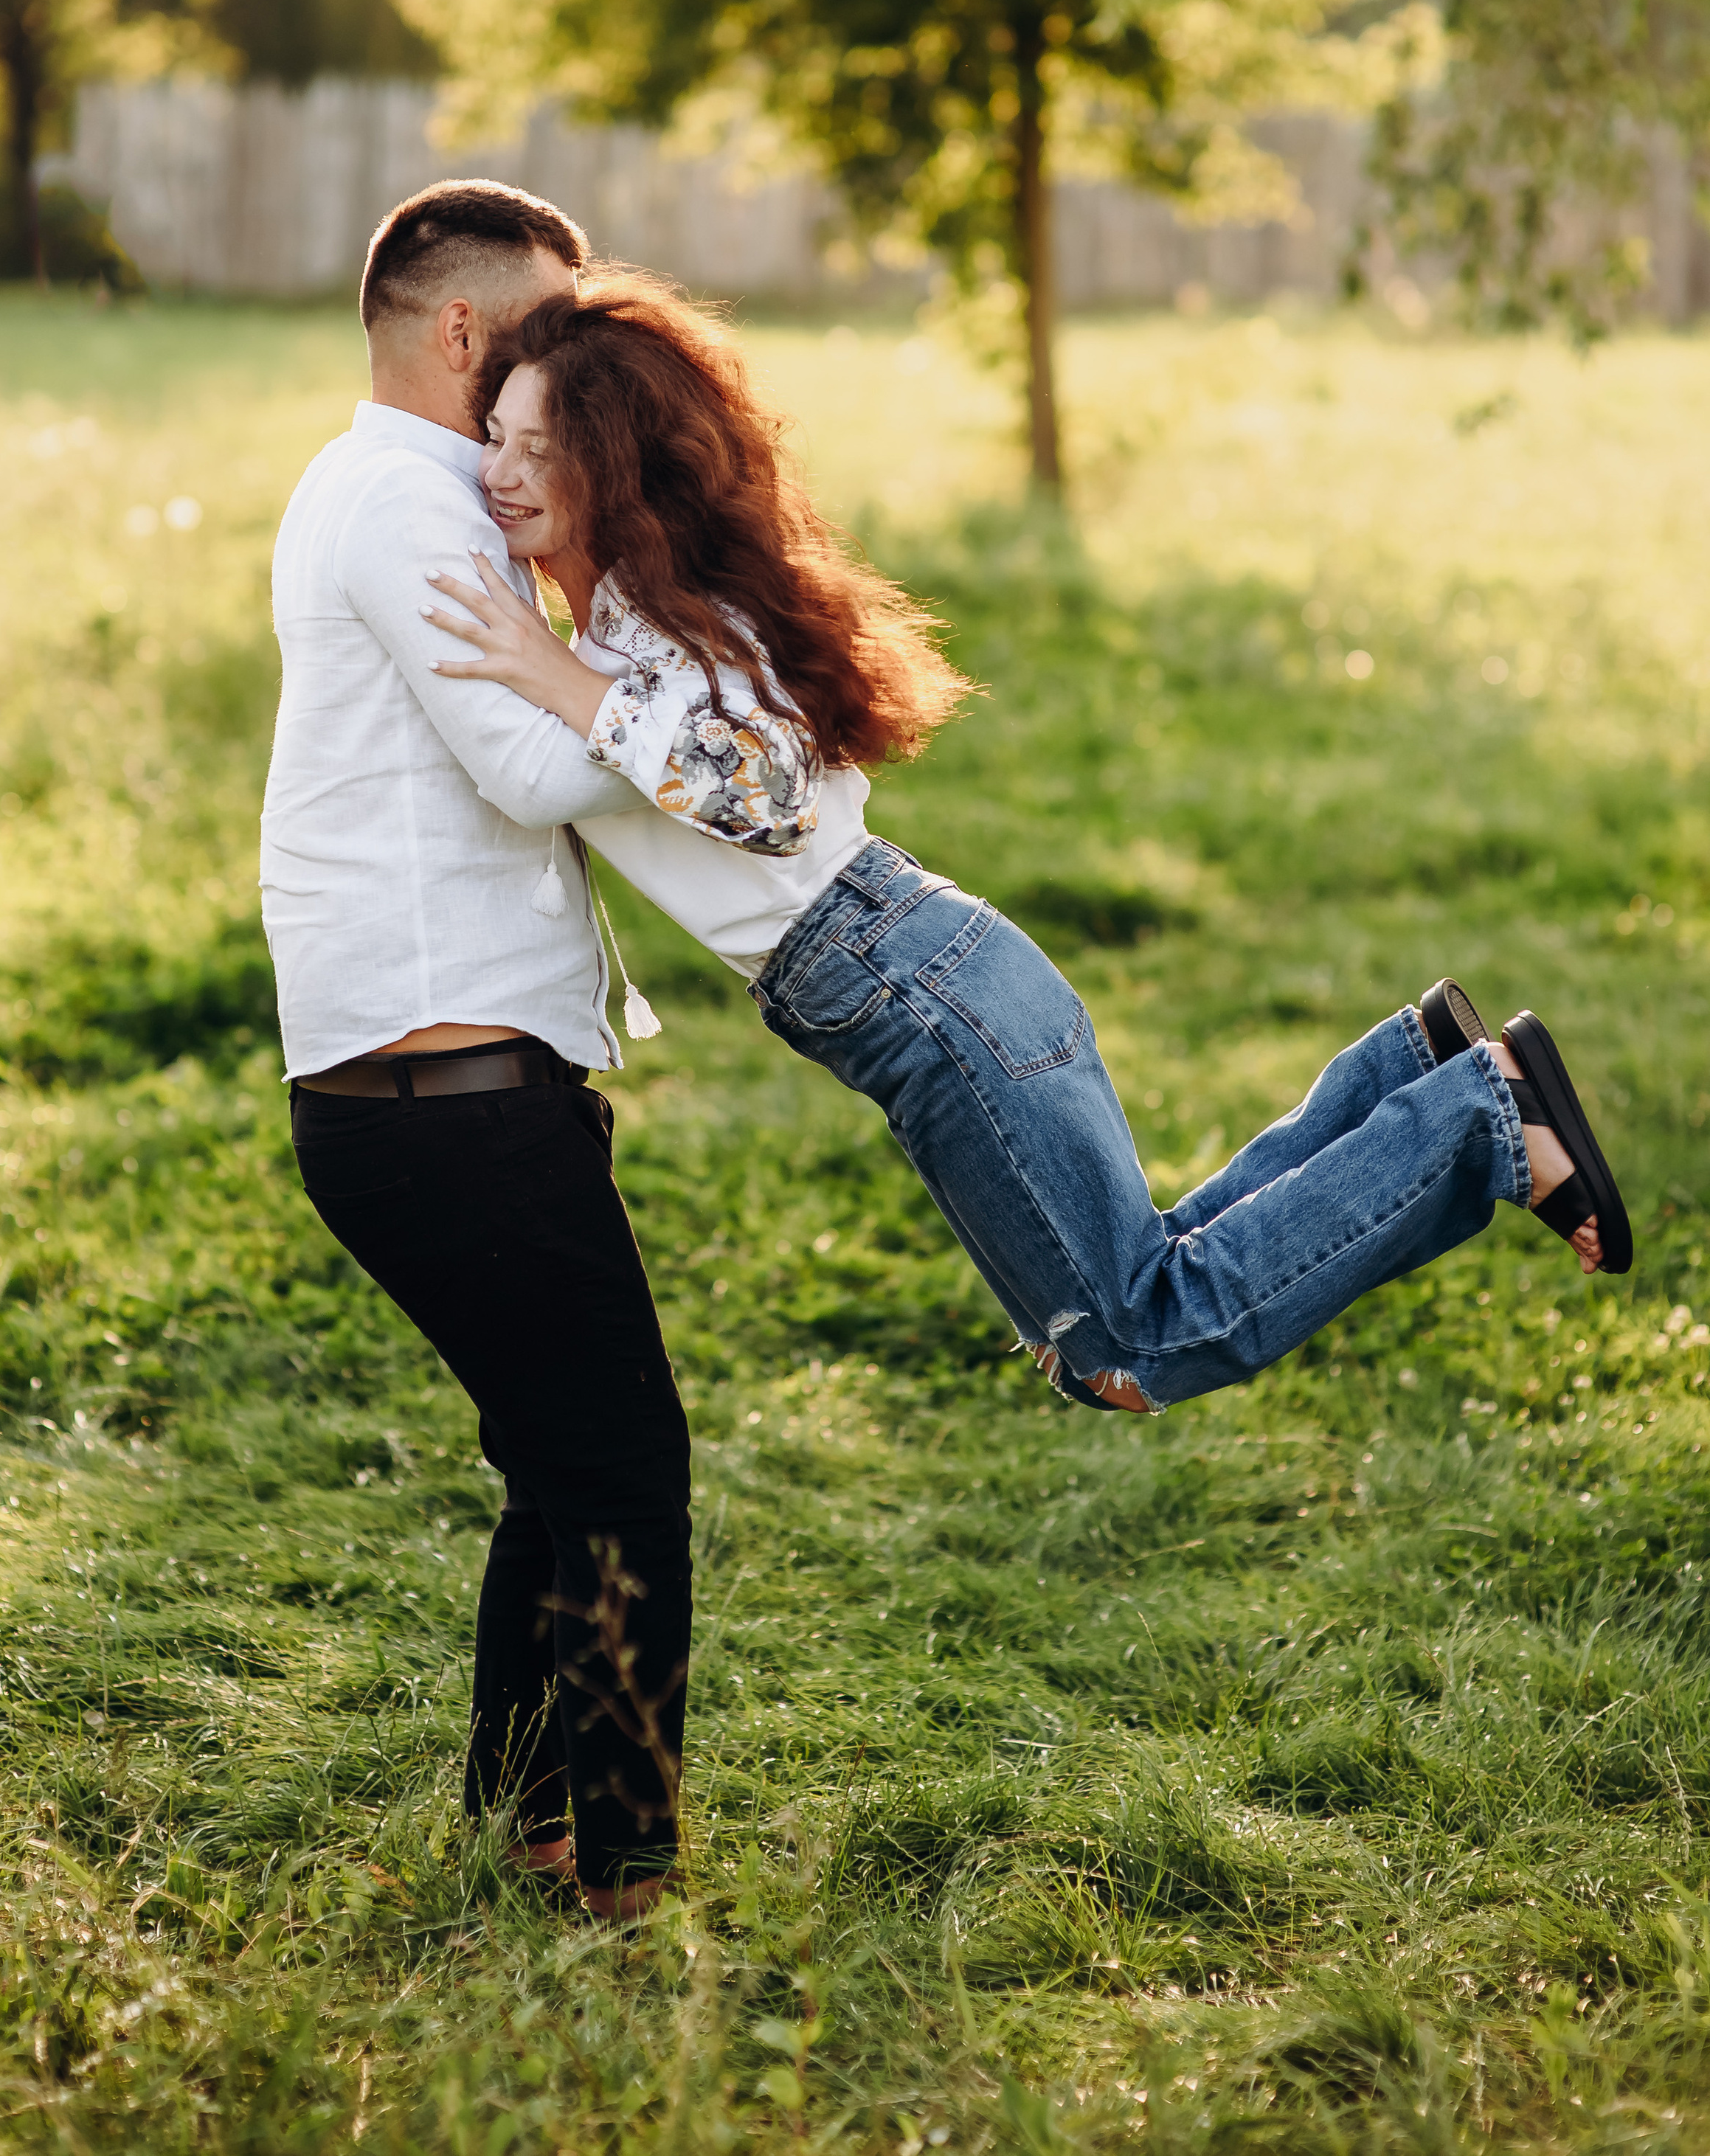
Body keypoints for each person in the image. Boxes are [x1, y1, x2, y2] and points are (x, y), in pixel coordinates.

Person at [418, 271, 1633, 1421]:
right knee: (1145, 1286)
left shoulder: (658, 620)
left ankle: (1480, 1119)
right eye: (501, 437)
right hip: (922, 979)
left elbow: (772, 797)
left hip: (919, 994)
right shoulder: (636, 610)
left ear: (615, 467)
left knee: (1132, 1346)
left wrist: (557, 679)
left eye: (544, 449)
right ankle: (1416, 1072)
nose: (505, 473)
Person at [260, 182, 688, 1923]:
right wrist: (690, 714)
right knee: (620, 1467)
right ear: (461, 334)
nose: (565, 370)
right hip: (448, 1106)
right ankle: (623, 1869)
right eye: (542, 331)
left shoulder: (388, 485)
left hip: (445, 1092)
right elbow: (529, 770)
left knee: (558, 1455)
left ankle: (526, 1823)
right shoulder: (405, 506)